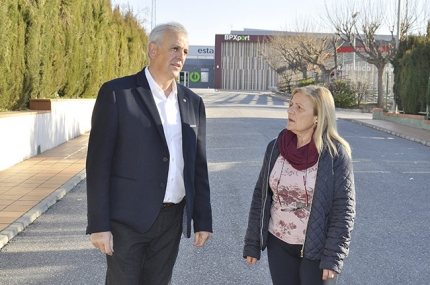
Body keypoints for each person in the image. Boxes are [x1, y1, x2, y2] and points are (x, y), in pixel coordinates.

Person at [86, 22, 212, 285]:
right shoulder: (117, 94)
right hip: (126, 220)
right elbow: (98, 165)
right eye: (175, 48)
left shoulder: (193, 103)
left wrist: (203, 219)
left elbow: (197, 166)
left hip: (171, 220)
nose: (181, 56)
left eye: (185, 51)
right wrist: (99, 225)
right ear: (153, 50)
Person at [243, 85, 355, 285]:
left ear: (317, 117)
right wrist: (252, 242)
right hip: (279, 243)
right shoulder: (276, 147)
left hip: (318, 249)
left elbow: (343, 210)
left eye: (299, 108)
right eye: (290, 105)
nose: (290, 111)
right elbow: (261, 195)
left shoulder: (335, 155)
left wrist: (333, 257)